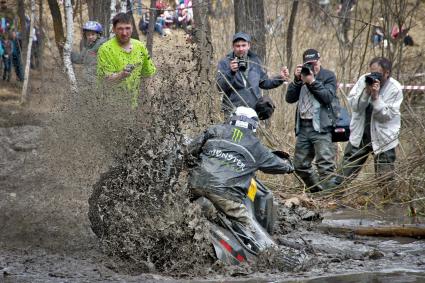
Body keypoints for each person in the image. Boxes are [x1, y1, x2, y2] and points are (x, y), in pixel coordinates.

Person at [188, 106, 294, 228]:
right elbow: (280, 166)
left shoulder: (214, 130)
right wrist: (290, 165)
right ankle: (258, 246)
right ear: (254, 125)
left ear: (232, 118)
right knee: (249, 227)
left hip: (195, 183)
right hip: (225, 194)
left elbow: (190, 150)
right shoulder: (256, 146)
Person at [335, 57, 403, 188]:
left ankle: (389, 206)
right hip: (361, 134)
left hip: (384, 138)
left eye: (378, 74)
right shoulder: (364, 80)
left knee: (385, 181)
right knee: (342, 176)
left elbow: (386, 115)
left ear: (387, 73)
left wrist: (376, 97)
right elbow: (354, 106)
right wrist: (366, 92)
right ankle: (331, 200)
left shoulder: (395, 89)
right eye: (372, 72)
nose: (374, 76)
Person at [284, 49, 338, 192]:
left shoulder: (328, 76)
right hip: (303, 127)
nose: (312, 67)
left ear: (319, 61)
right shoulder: (301, 77)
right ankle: (317, 191)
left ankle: (330, 199)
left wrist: (312, 82)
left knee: (325, 165)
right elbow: (289, 99)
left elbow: (327, 97)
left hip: (322, 127)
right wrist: (296, 80)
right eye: (308, 64)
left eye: (314, 63)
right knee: (300, 165)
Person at [216, 32, 289, 116]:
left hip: (252, 110)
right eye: (238, 46)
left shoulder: (255, 61)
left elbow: (264, 83)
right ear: (233, 46)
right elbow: (220, 86)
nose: (241, 49)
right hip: (232, 110)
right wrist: (231, 72)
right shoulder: (225, 62)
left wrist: (280, 78)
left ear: (249, 46)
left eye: (243, 45)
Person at [97, 12, 156, 109]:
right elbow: (106, 81)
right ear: (114, 29)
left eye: (127, 28)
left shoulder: (140, 46)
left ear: (132, 28)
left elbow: (148, 75)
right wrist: (122, 75)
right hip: (110, 107)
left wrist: (151, 101)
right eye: (120, 29)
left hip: (134, 105)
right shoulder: (105, 49)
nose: (124, 33)